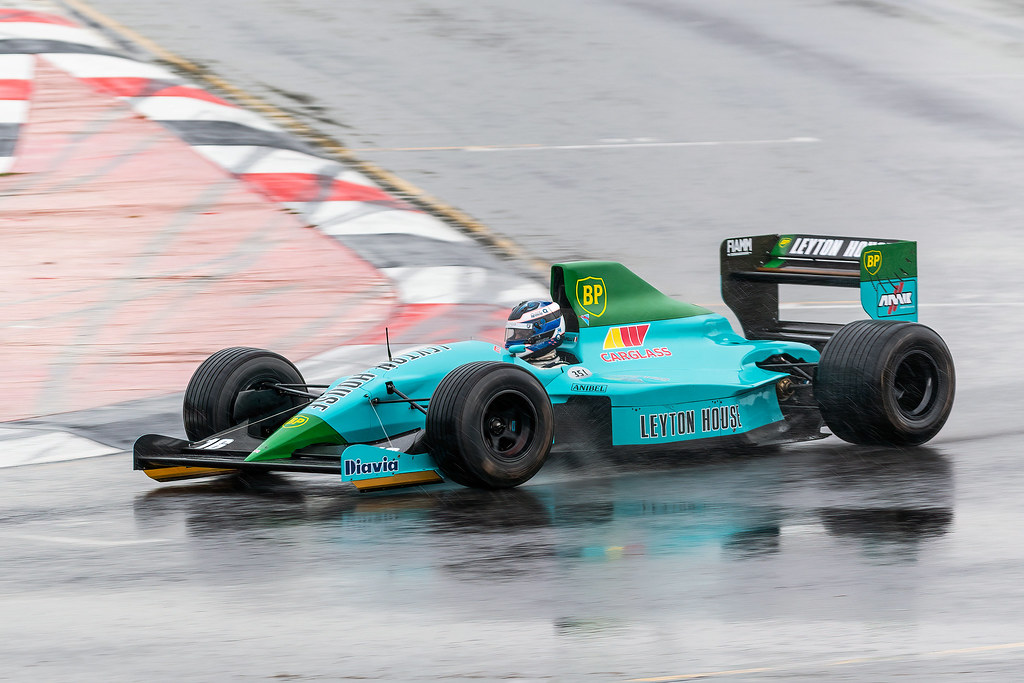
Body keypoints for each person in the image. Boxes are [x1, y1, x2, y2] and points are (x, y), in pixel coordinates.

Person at [504, 299, 568, 367]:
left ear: (542, 335)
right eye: (515, 334)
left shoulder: (561, 369)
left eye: (522, 335)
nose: (515, 338)